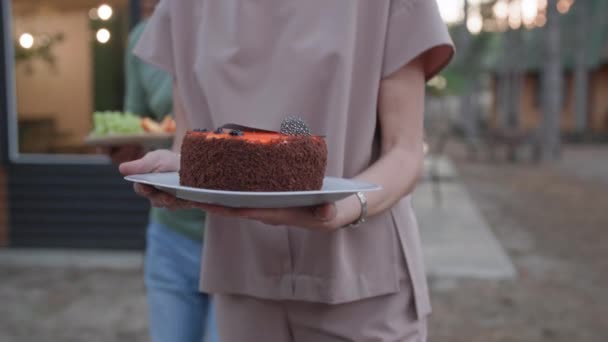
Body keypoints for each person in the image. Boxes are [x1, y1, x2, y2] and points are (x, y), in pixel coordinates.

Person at [120, 0, 454, 341]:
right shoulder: (187, 7)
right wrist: (180, 172)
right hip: (243, 282)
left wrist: (342, 207)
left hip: (359, 279)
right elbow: (190, 139)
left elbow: (405, 152)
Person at [110, 1, 217, 341]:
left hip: (238, 237)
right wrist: (121, 151)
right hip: (171, 236)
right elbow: (135, 124)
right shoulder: (143, 40)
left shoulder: (238, 32)